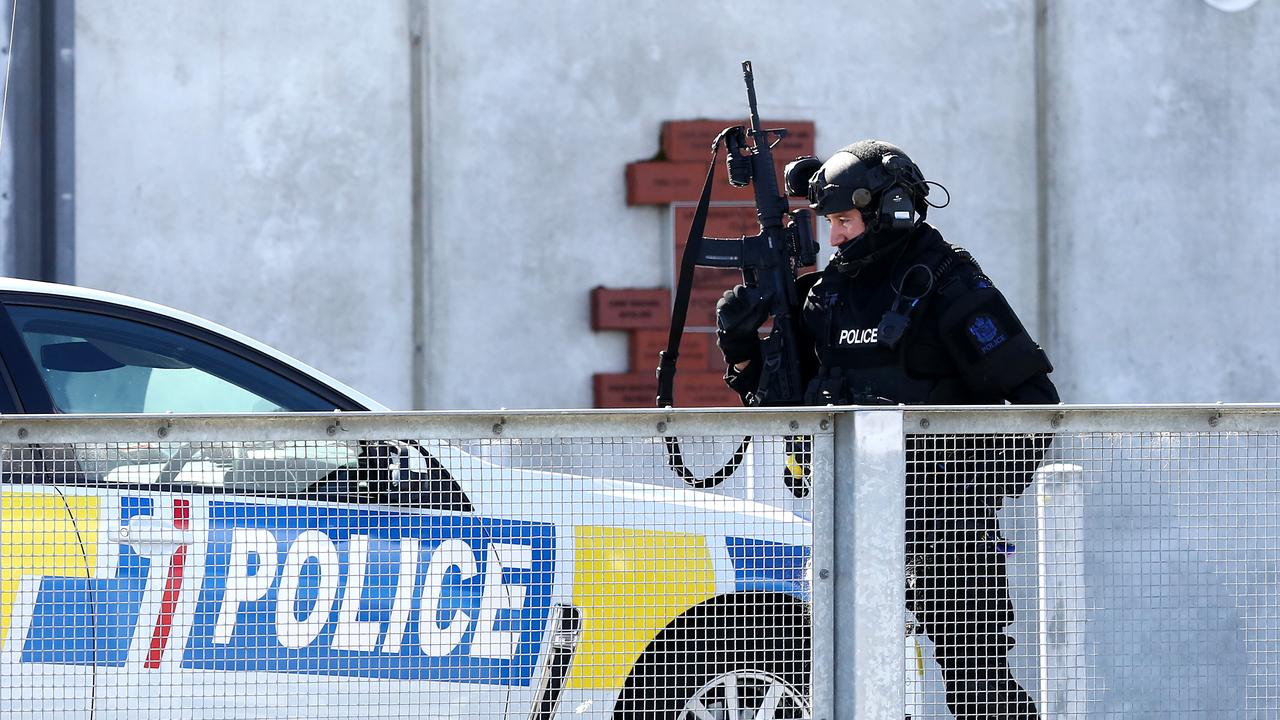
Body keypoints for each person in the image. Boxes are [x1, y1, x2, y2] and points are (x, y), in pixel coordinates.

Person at [715, 139, 1059, 719]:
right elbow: (776, 407)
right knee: (830, 669)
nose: (836, 238)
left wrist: (964, 495)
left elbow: (1035, 406)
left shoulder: (951, 285)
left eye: (844, 220)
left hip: (950, 530)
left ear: (891, 209)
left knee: (976, 682)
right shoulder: (826, 296)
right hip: (847, 521)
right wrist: (743, 348)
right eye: (829, 223)